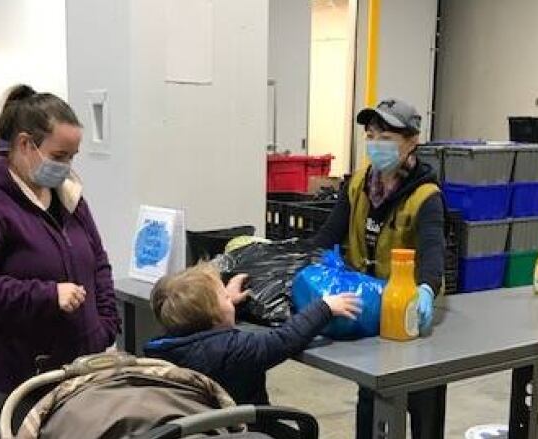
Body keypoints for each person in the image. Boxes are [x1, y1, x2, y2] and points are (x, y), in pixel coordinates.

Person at [0, 85, 120, 438]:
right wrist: (46, 295)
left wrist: (105, 325)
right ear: (26, 145)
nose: (67, 166)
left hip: (75, 373)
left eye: (73, 156)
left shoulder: (69, 197)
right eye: (59, 155)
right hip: (16, 380)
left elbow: (98, 262)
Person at [310, 98, 446, 438]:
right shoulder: (357, 185)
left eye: (386, 137)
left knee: (422, 395)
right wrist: (302, 262)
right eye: (371, 135)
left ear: (412, 141)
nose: (375, 144)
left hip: (410, 311)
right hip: (369, 309)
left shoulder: (426, 195)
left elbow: (433, 251)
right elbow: (330, 233)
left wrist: (426, 289)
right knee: (372, 395)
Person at [143, 263, 359, 404]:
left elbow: (207, 334)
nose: (230, 299)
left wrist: (224, 304)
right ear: (213, 315)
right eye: (225, 298)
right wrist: (324, 307)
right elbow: (285, 339)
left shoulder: (162, 349)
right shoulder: (234, 349)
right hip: (245, 428)